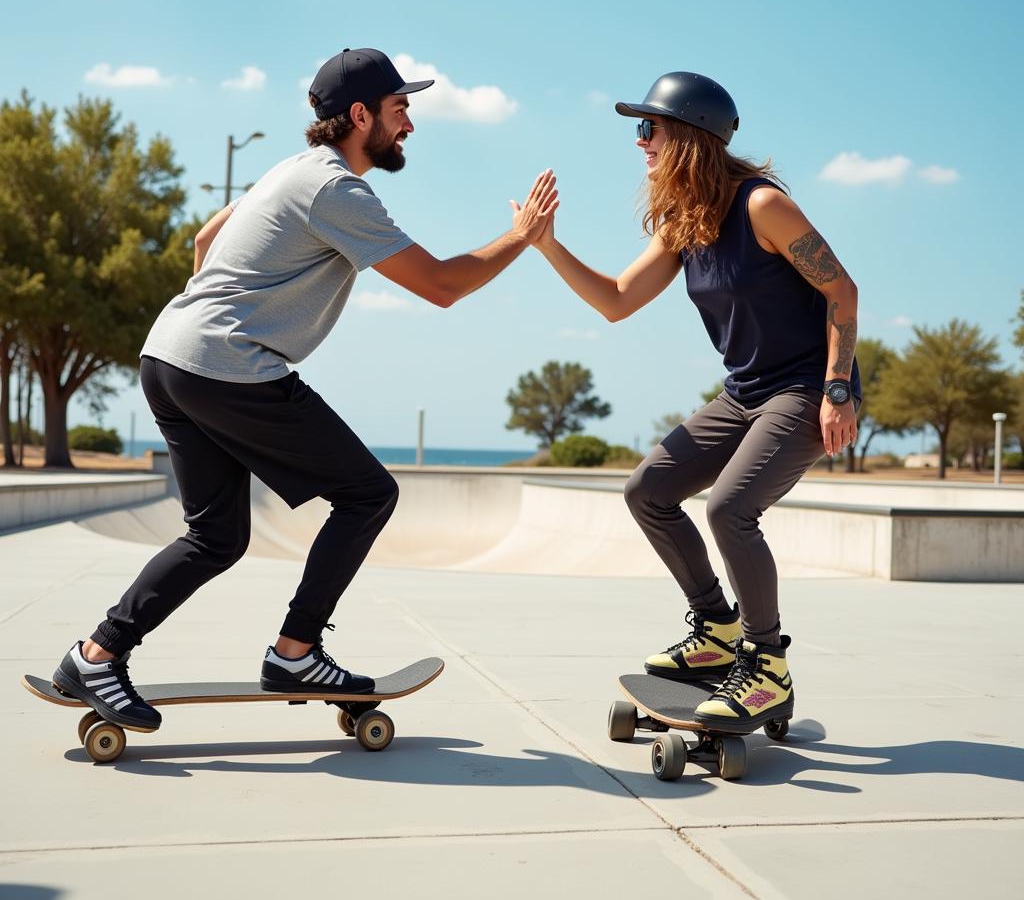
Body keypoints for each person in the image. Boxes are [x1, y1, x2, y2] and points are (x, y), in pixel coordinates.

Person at [52, 47, 558, 731]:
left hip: (168, 356)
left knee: (215, 536)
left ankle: (96, 654)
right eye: (400, 108)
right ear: (360, 115)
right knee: (369, 493)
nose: (409, 123)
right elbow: (441, 286)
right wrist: (522, 236)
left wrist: (207, 311)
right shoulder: (335, 189)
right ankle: (295, 652)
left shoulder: (291, 171)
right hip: (227, 366)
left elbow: (206, 237)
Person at [533, 72, 859, 733]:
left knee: (731, 509)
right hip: (744, 394)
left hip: (801, 389)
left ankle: (766, 664)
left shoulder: (762, 206)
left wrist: (837, 388)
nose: (640, 142)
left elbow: (842, 292)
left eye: (649, 128)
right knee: (647, 489)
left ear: (690, 137)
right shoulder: (688, 222)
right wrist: (546, 245)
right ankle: (715, 626)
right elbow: (618, 300)